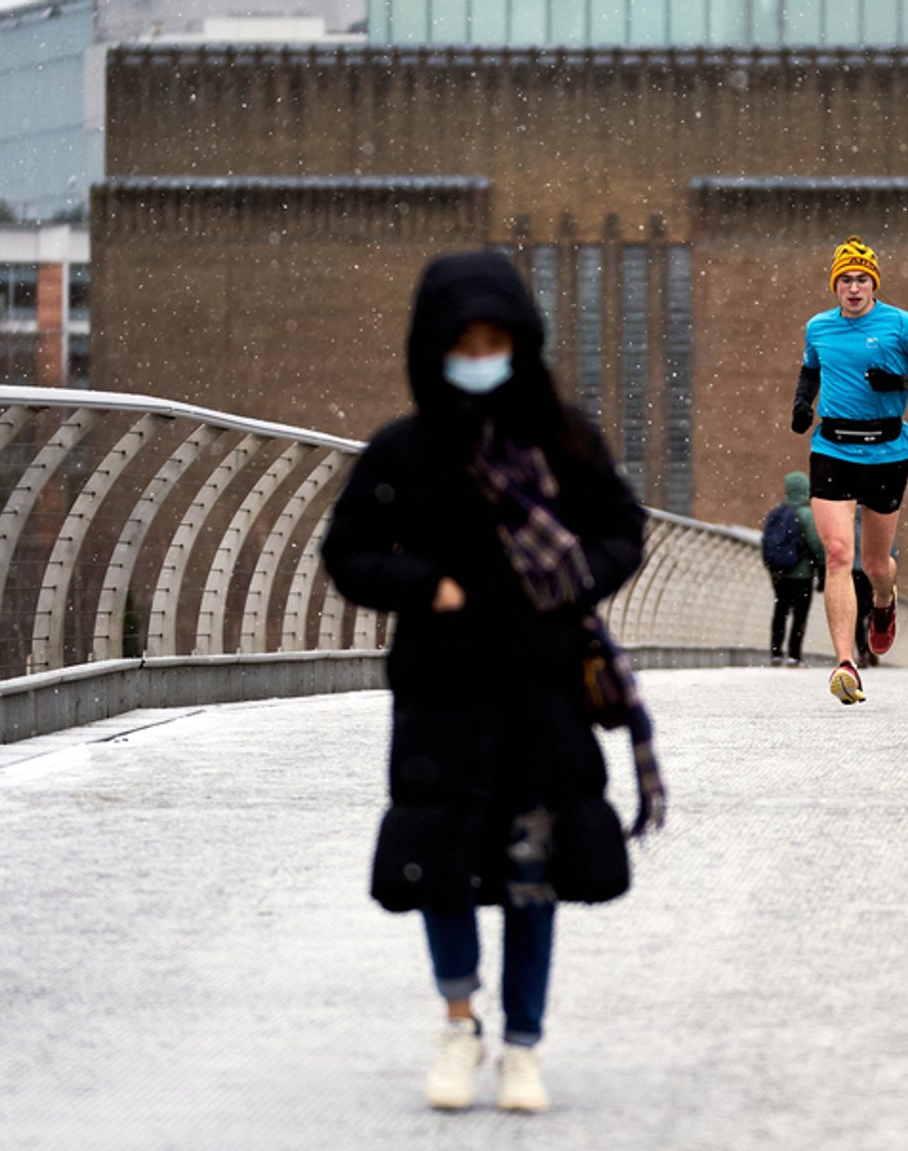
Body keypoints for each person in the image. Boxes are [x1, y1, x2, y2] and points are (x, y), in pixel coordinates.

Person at [321, 250, 658, 1114]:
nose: (479, 353)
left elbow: (624, 526)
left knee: (531, 869)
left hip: (541, 690)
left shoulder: (563, 440)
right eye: (462, 339)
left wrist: (572, 578)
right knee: (442, 861)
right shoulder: (404, 450)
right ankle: (458, 1022)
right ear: (433, 347)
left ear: (521, 342)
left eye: (494, 338)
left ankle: (523, 1045)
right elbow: (347, 551)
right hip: (440, 688)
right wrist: (423, 583)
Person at [790, 235, 908, 704]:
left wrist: (903, 382)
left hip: (887, 450)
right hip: (833, 448)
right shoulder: (818, 327)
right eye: (845, 280)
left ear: (873, 284)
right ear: (835, 286)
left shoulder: (901, 325)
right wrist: (803, 404)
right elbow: (811, 369)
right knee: (838, 555)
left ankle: (883, 604)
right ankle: (845, 663)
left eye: (862, 279)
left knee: (875, 564)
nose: (854, 288)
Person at [767, 470, 826, 665]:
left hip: (780, 573)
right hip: (802, 573)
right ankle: (794, 654)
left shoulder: (776, 513)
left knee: (780, 611)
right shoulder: (807, 515)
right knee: (799, 615)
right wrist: (822, 569)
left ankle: (775, 653)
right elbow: (816, 545)